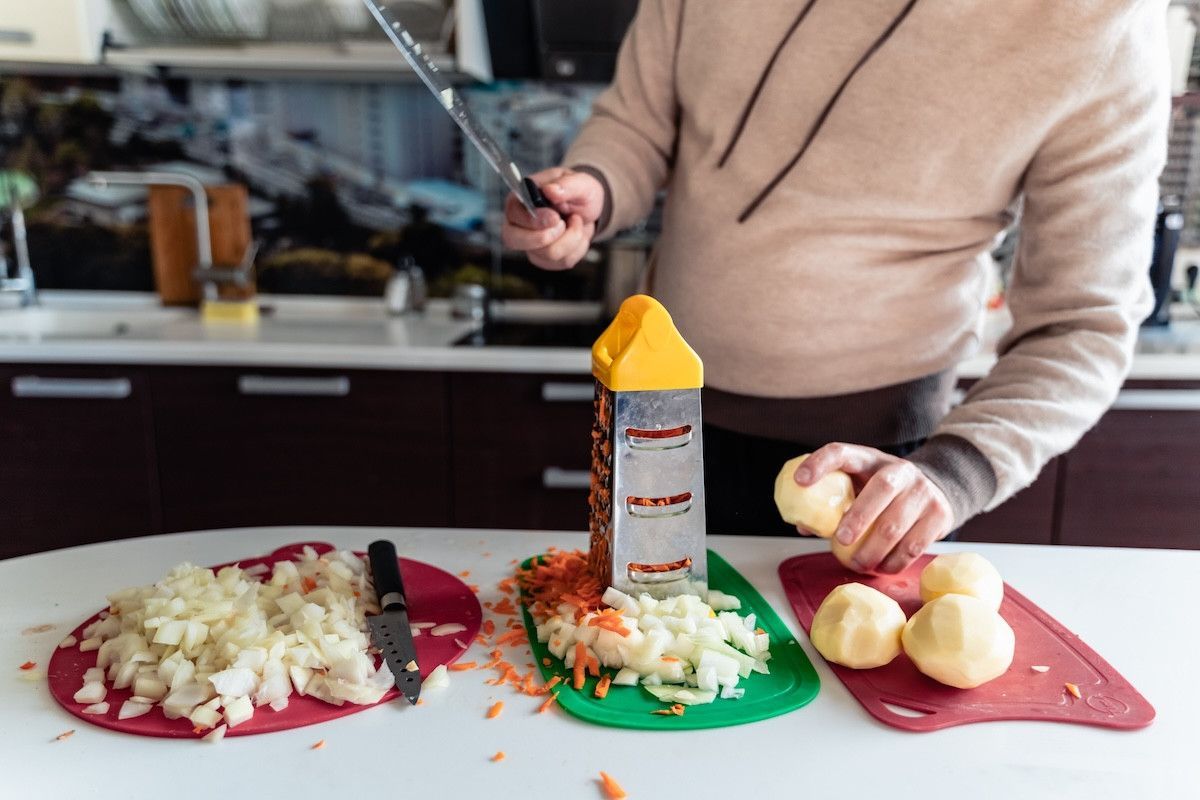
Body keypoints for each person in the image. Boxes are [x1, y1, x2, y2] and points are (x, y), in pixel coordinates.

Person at [501, 0, 1170, 573]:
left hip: (876, 467)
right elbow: (639, 120)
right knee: (637, 663)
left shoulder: (1104, 25)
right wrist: (596, 184)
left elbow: (1083, 325)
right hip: (659, 416)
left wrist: (953, 474)